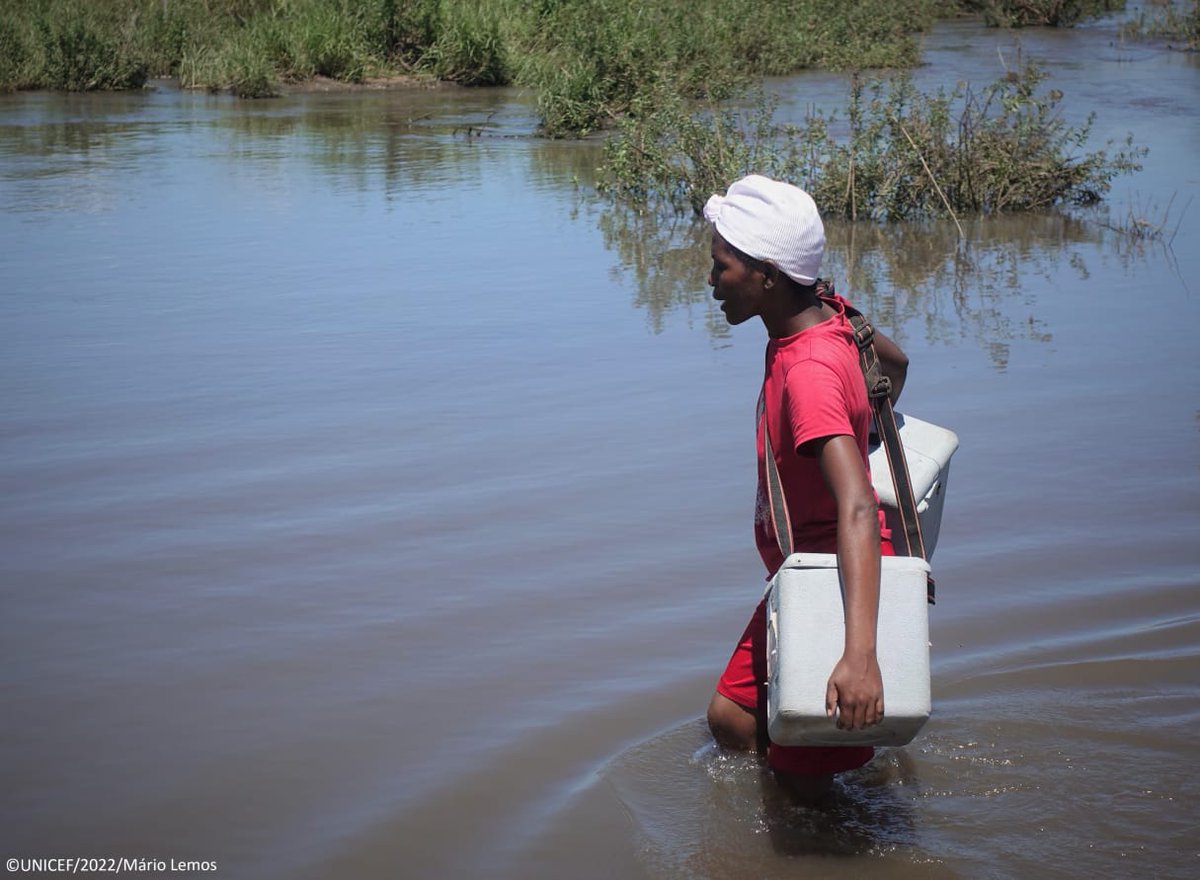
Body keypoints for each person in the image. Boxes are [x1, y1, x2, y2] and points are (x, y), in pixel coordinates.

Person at [702, 175, 910, 802]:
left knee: (808, 787)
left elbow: (856, 503)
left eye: (721, 266)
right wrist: (866, 412)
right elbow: (893, 365)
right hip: (805, 569)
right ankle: (837, 783)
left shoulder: (809, 371)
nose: (711, 281)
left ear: (767, 275)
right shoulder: (828, 319)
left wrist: (859, 656)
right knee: (734, 716)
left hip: (834, 580)